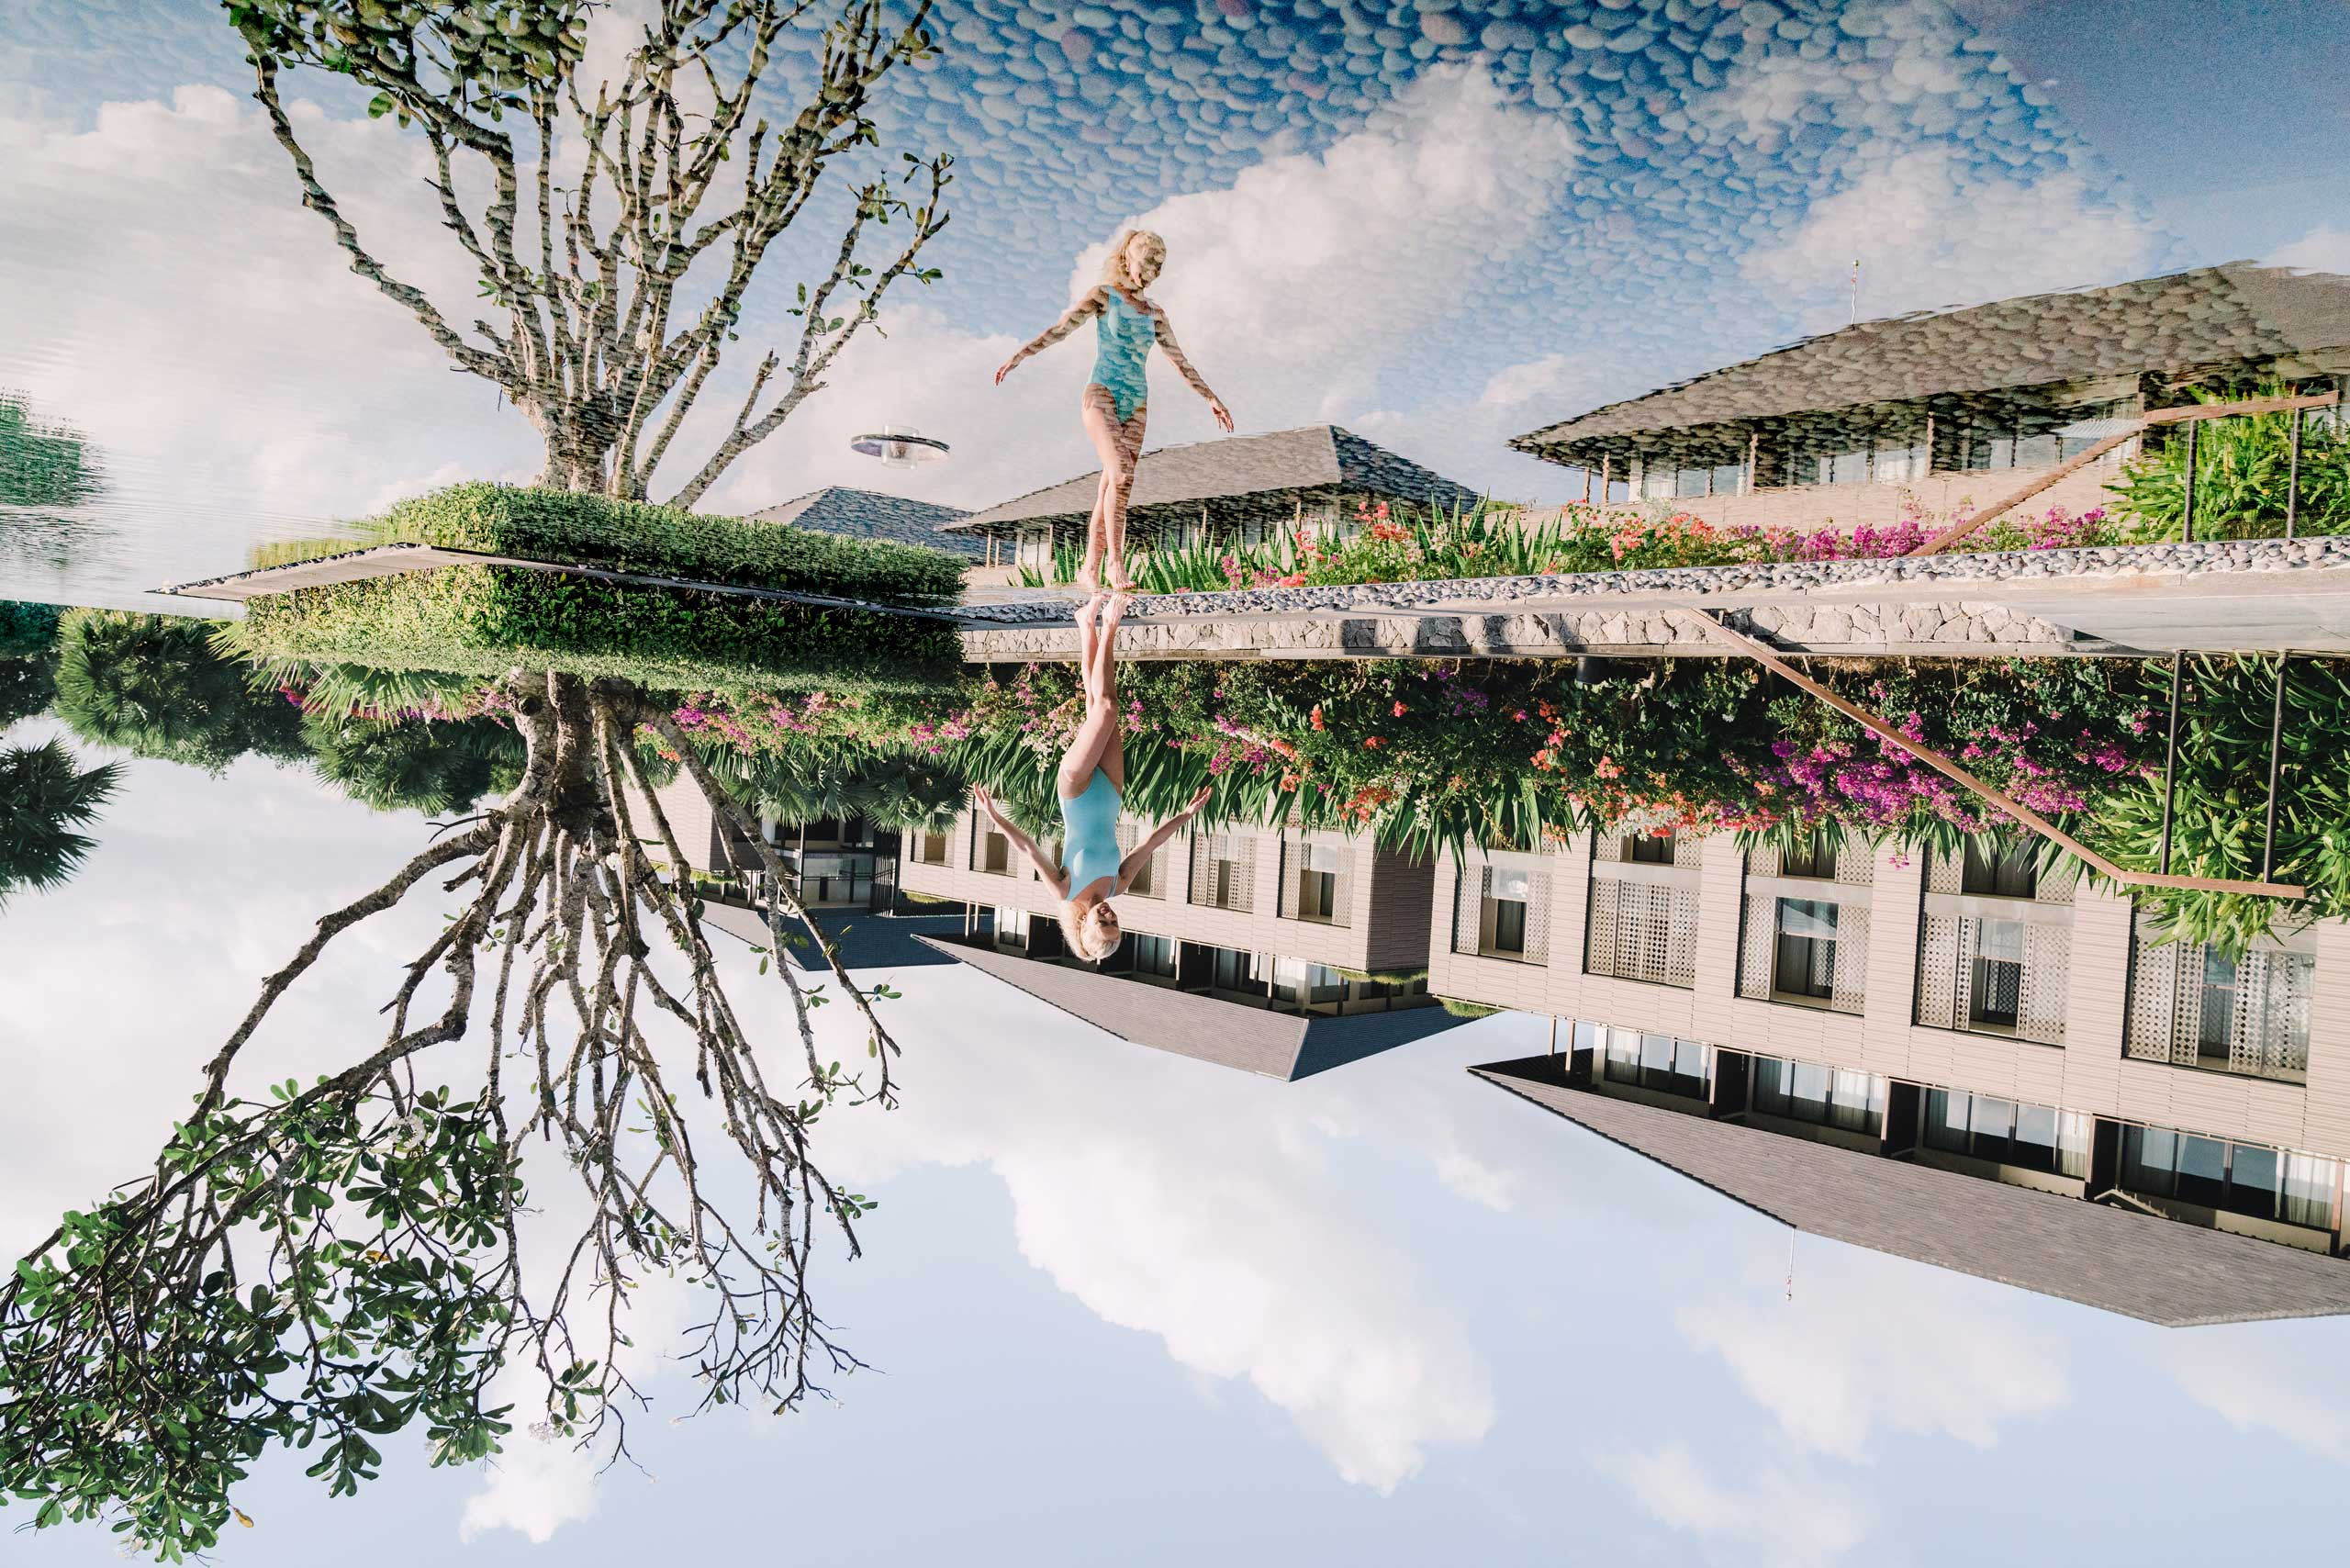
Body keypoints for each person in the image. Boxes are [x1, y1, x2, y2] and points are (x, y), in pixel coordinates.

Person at [970, 591, 1214, 961]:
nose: (1109, 915)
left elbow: (1028, 848)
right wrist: (1187, 813)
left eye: (1103, 923)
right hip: (1111, 792)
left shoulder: (1064, 891)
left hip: (1076, 789)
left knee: (1107, 708)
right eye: (1115, 922)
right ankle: (1087, 623)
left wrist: (994, 815)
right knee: (1097, 703)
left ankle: (1110, 623)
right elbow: (1151, 843)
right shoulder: (1119, 884)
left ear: (1084, 926)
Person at [993, 229, 1234, 593]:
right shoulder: (1104, 295)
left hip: (1137, 402)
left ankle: (1089, 568)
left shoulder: (1156, 313)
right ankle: (1115, 563)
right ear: (1127, 259)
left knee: (1113, 485)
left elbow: (1180, 362)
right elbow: (1061, 329)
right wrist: (1020, 355)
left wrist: (1210, 398)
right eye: (1147, 263)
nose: (1153, 272)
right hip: (1102, 393)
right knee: (1120, 475)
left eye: (1159, 266)